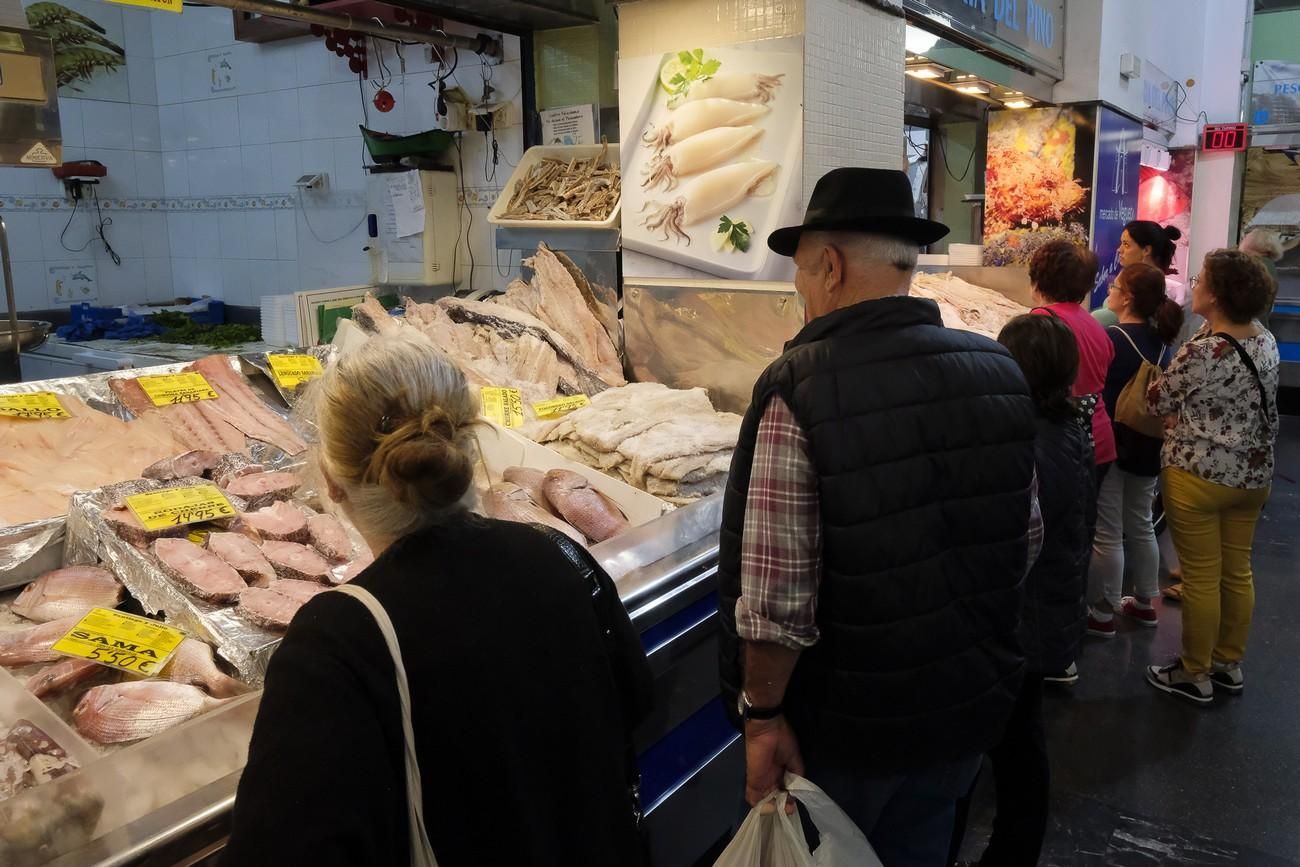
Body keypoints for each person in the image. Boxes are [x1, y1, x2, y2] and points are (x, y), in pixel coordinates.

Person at [224, 331, 653, 865]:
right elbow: (635, 702)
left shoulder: (336, 640)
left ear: (333, 481)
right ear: (467, 449)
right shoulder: (559, 556)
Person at [717, 167, 1039, 866]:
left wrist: (763, 716)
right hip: (964, 710)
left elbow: (778, 601)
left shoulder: (799, 384)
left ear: (828, 266)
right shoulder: (999, 369)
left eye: (800, 274)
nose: (799, 292)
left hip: (849, 733)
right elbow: (1026, 537)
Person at [951, 314, 1092, 867]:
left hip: (1019, 620)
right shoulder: (1067, 424)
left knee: (1004, 747)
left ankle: (1008, 851)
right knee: (1020, 741)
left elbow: (1012, 536)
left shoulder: (1027, 437)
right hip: (1046, 615)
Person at [1146, 249, 1280, 705]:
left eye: (1201, 277)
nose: (1195, 282)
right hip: (1253, 475)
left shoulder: (1203, 349)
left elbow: (1158, 400)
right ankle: (1228, 664)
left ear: (1217, 296)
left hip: (1198, 474)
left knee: (1201, 577)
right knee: (1237, 571)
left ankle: (1193, 672)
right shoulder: (1264, 338)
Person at [1086, 263, 1185, 637]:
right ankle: (1145, 603)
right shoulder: (1164, 342)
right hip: (1149, 443)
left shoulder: (1112, 337)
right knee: (1141, 522)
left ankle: (1104, 610)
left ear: (1127, 297)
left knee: (1108, 530)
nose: (1108, 290)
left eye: (1114, 285)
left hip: (1115, 441)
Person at [1029, 240, 1117, 479]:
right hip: (1099, 439)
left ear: (1037, 278)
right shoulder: (1094, 324)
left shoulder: (1040, 322)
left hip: (1064, 442)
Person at [1094, 221, 1184, 326]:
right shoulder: (1156, 287)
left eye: (1126, 244)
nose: (1119, 250)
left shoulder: (1147, 293)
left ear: (1146, 250)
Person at [1238, 228, 1299, 328]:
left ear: (1257, 243)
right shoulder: (1267, 265)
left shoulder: (1254, 266)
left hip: (1244, 328)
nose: (1242, 241)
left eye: (1245, 238)